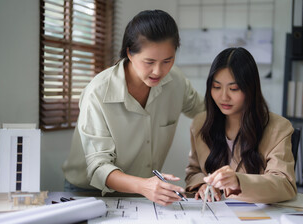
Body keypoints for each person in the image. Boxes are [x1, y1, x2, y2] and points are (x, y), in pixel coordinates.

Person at [62, 10, 204, 206]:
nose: (158, 71)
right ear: (129, 52)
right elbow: (99, 167)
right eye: (149, 62)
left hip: (140, 192)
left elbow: (205, 112)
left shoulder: (175, 81)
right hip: (87, 192)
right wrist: (145, 186)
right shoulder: (98, 93)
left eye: (167, 61)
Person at [185, 47, 297, 204]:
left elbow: (285, 184)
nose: (223, 97)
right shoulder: (200, 124)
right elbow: (193, 172)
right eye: (216, 87)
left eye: (234, 89)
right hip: (215, 213)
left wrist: (238, 181)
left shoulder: (279, 128)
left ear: (250, 89)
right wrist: (202, 184)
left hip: (258, 218)